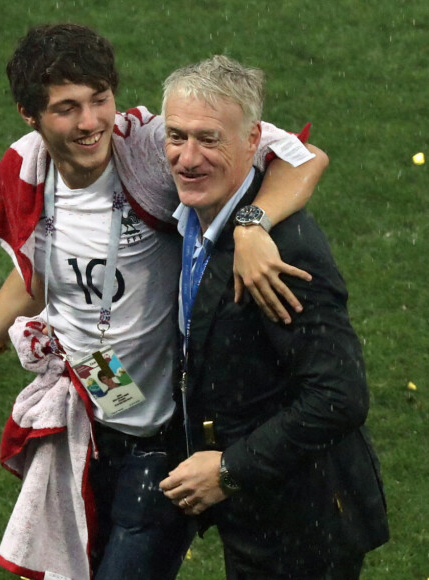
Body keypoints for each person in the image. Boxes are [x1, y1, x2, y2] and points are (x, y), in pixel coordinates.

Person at [0, 24, 328, 580]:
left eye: (99, 99)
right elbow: (34, 278)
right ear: (30, 114)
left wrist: (252, 227)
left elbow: (303, 155)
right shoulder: (25, 172)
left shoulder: (151, 145)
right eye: (67, 108)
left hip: (166, 435)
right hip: (94, 413)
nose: (92, 122)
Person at [159, 55, 389, 579]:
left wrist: (227, 469)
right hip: (261, 514)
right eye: (176, 136)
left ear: (253, 141)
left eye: (208, 139)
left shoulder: (286, 251)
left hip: (303, 523)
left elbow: (339, 396)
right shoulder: (205, 215)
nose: (187, 157)